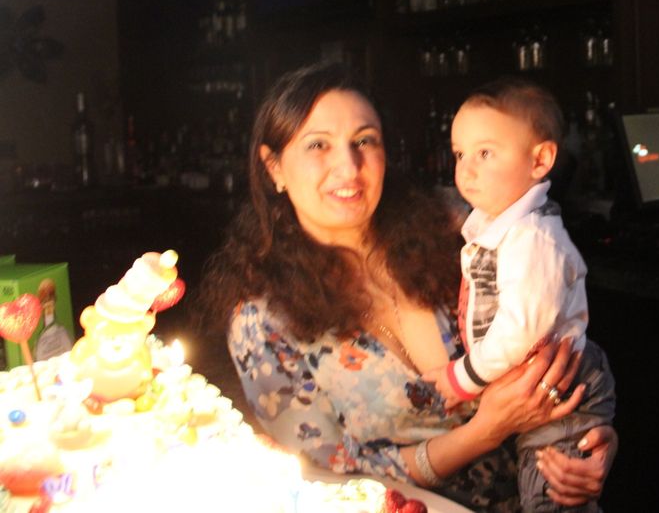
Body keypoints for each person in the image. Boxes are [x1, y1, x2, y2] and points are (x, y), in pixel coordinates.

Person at [200, 61, 616, 511]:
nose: (349, 166)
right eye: (318, 144)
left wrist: (590, 439)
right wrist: (484, 432)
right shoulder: (261, 321)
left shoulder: (461, 225)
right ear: (274, 167)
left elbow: (557, 318)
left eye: (365, 140)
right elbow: (328, 469)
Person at [422, 78, 615, 512]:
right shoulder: (495, 225)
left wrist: (461, 378)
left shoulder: (533, 238)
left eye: (485, 153)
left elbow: (521, 329)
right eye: (459, 154)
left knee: (551, 496)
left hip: (561, 388)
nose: (466, 169)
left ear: (540, 160)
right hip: (538, 388)